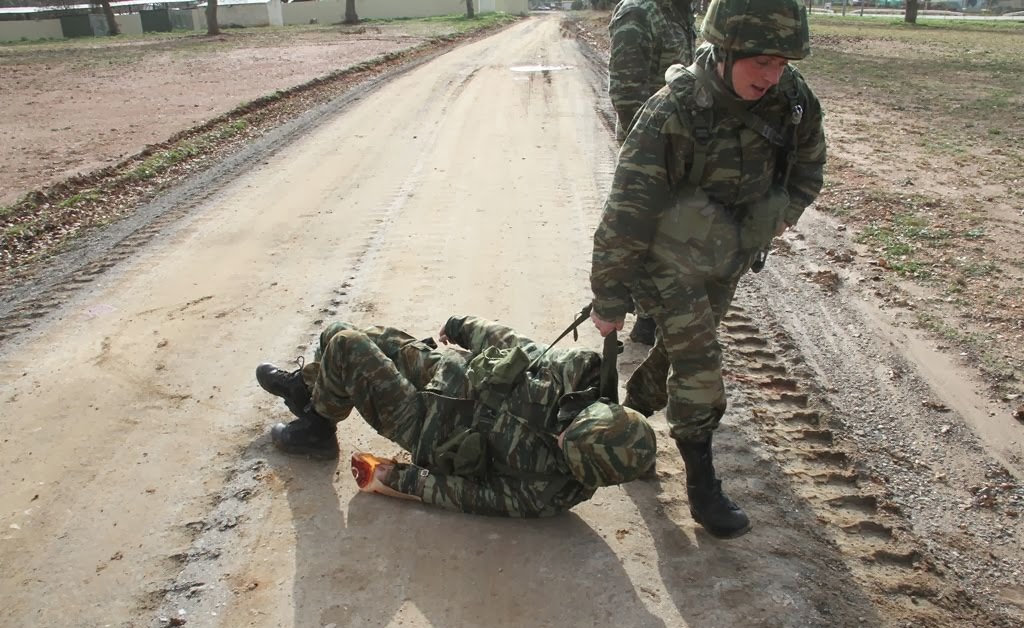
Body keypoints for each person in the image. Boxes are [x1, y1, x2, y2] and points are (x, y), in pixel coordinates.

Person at [588, 0, 827, 539]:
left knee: (679, 346)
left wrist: (778, 215)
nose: (772, 76)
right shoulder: (672, 111)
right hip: (665, 258)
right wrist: (609, 300)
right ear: (725, 49)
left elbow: (810, 163)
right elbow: (626, 212)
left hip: (728, 253)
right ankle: (702, 485)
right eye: (760, 61)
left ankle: (631, 416)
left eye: (782, 62)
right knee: (699, 357)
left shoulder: (791, 99)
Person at [256, 316, 657, 518]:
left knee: (345, 346)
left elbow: (470, 496)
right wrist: (461, 327)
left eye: (563, 451)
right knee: (339, 332)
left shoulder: (552, 493)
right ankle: (306, 391)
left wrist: (398, 477)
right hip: (442, 372)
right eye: (567, 429)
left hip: (418, 422)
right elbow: (514, 345)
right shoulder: (579, 373)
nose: (557, 438)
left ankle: (317, 428)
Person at [608, 0, 697, 346]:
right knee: (647, 231)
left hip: (681, 145)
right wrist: (647, 155)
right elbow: (626, 93)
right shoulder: (638, 12)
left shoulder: (679, 11)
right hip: (649, 149)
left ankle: (657, 315)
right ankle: (648, 319)